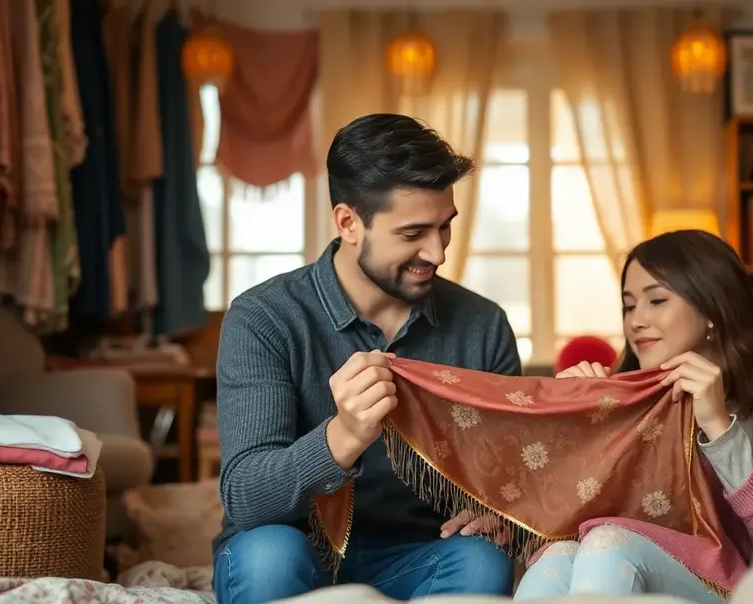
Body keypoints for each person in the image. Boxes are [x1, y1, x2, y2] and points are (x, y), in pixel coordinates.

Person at [212, 114, 521, 604]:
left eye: (446, 228)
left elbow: (510, 478)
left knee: (483, 560)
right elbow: (247, 498)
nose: (438, 253)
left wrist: (501, 512)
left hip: (423, 554)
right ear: (348, 222)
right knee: (268, 557)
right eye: (413, 233)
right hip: (291, 547)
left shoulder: (483, 326)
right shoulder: (264, 318)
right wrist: (343, 437)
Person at [514, 230, 753, 601]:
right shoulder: (622, 404)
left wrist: (719, 429)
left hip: (741, 589)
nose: (636, 321)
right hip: (630, 571)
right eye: (629, 306)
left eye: (657, 300)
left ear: (712, 309)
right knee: (560, 555)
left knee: (607, 542)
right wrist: (576, 424)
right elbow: (559, 525)